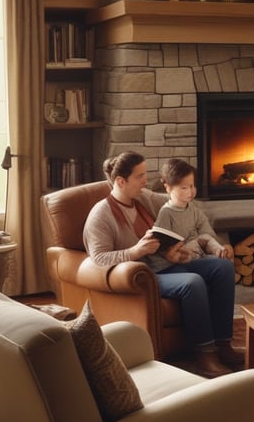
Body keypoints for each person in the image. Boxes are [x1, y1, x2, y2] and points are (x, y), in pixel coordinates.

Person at [83, 151, 242, 378]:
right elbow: (98, 258)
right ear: (120, 181)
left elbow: (180, 202)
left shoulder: (144, 198)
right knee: (192, 282)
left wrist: (203, 242)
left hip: (167, 264)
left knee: (222, 267)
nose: (146, 181)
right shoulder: (101, 215)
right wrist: (135, 251)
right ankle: (205, 355)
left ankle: (223, 344)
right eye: (139, 176)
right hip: (144, 275)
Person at [153, 158, 234, 264]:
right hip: (181, 256)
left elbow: (207, 231)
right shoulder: (166, 212)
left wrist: (222, 244)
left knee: (208, 240)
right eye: (184, 188)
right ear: (168, 188)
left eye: (192, 186)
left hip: (198, 252)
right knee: (223, 263)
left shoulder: (193, 209)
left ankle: (220, 254)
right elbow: (162, 243)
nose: (190, 192)